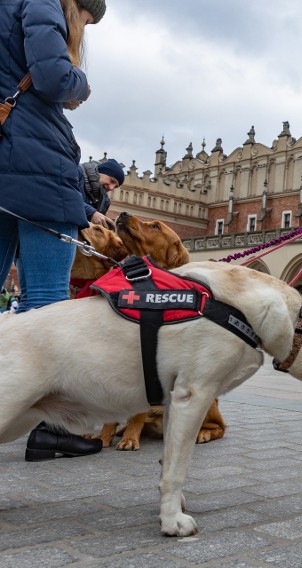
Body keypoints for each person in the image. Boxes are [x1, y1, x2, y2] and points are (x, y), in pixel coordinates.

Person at [0, 0, 108, 461]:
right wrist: (79, 81)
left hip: (7, 166)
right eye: (86, 21)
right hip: (34, 168)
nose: (82, 30)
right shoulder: (40, 1)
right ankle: (50, 427)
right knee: (47, 301)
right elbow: (52, 76)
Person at [81, 158, 123, 229]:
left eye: (115, 186)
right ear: (102, 172)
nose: (111, 188)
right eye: (112, 181)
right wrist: (91, 213)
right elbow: (65, 197)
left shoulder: (103, 201)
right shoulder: (77, 175)